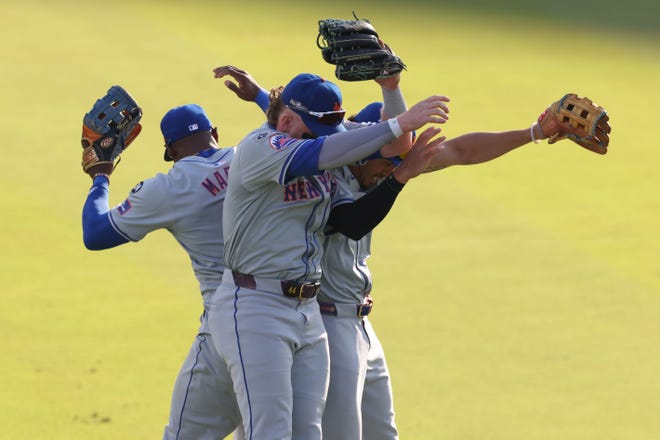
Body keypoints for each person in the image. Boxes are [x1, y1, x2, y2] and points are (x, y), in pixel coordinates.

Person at [317, 96, 592, 440]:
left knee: (384, 434)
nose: (389, 171)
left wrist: (534, 132)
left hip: (360, 324)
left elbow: (462, 151)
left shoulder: (382, 166)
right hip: (327, 322)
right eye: (386, 164)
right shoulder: (326, 176)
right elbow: (351, 221)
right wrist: (400, 174)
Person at [206, 68, 450, 439]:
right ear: (286, 120)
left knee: (309, 432)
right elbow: (322, 149)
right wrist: (399, 122)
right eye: (316, 132)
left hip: (306, 311)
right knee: (268, 431)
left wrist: (392, 94)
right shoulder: (260, 147)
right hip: (255, 304)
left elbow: (352, 218)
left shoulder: (318, 157)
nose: (325, 142)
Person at [81, 102, 249, 439]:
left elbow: (95, 234)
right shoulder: (252, 155)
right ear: (214, 134)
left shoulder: (171, 187)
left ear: (170, 150)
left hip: (228, 321)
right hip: (294, 316)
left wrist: (100, 175)